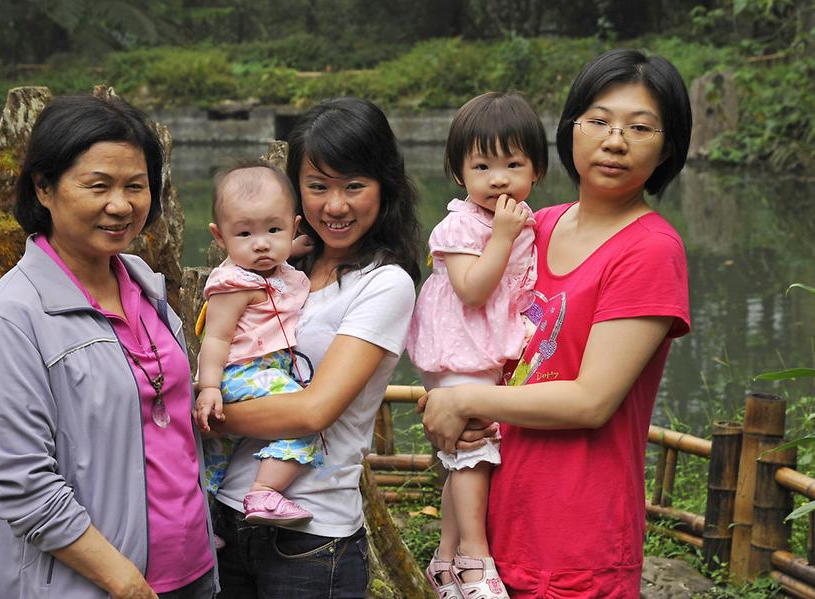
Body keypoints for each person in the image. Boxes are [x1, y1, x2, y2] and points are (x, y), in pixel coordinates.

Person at [418, 48, 692, 597]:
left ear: (667, 148)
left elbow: (591, 400)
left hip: (576, 539)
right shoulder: (532, 227)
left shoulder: (650, 250)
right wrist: (449, 389)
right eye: (599, 121)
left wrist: (466, 402)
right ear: (570, 130)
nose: (615, 140)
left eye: (640, 127)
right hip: (495, 527)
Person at [0, 95, 218, 599]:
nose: (121, 205)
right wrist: (124, 583)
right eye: (98, 185)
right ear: (43, 187)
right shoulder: (15, 316)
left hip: (191, 572)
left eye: (136, 186)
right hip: (99, 586)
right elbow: (24, 484)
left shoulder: (145, 286)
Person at [206, 97, 421, 598]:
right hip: (227, 522)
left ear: (384, 185)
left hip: (311, 539)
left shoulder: (383, 283)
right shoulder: (282, 265)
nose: (336, 205)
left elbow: (313, 412)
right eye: (318, 186)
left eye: (354, 186)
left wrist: (206, 411)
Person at [407, 92, 548, 599]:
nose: (499, 178)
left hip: (489, 347)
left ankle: (444, 560)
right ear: (458, 172)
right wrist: (504, 238)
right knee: (475, 453)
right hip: (457, 345)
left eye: (514, 164)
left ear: (538, 169)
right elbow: (472, 288)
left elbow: (526, 288)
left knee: (469, 454)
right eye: (482, 165)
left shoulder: (523, 218)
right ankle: (475, 557)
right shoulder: (462, 224)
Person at [193, 162, 317, 525]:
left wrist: (290, 247)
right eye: (244, 234)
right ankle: (264, 492)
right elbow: (216, 338)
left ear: (293, 227)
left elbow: (271, 250)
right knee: (304, 417)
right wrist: (210, 387)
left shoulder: (274, 265)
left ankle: (201, 525)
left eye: (274, 230)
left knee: (219, 453)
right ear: (220, 238)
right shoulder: (234, 285)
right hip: (241, 373)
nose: (262, 244)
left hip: (261, 373)